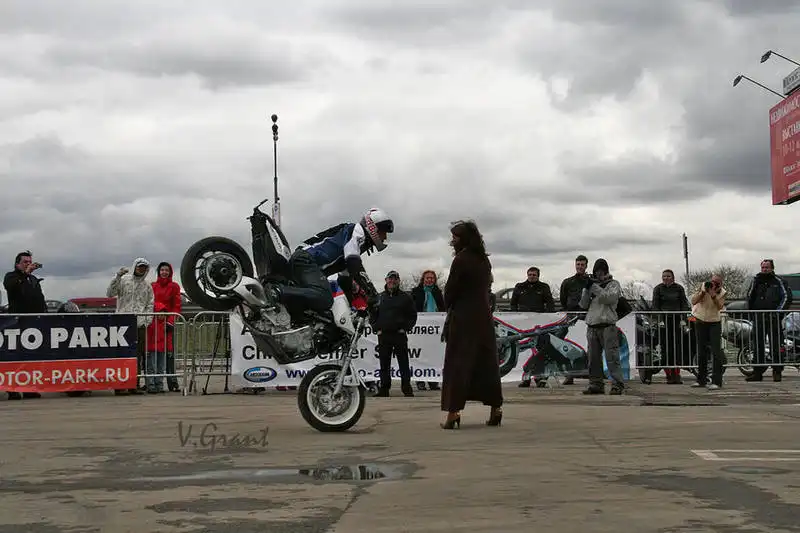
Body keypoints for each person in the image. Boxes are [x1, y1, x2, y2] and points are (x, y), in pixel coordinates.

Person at [263, 208, 394, 319]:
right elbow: (354, 264)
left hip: (306, 262)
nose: (384, 237)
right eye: (384, 232)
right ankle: (275, 292)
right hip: (306, 259)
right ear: (373, 227)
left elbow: (345, 280)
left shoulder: (351, 247)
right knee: (324, 296)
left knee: (316, 310)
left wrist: (356, 308)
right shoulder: (356, 231)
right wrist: (373, 294)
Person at [439, 220, 503, 429]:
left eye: (455, 237)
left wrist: (449, 304)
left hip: (463, 319)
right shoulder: (484, 260)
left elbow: (450, 291)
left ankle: (453, 414)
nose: (452, 241)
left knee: (458, 365)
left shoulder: (461, 260)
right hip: (483, 317)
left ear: (463, 239)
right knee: (487, 365)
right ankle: (496, 409)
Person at [579, 258, 625, 395]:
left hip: (607, 325)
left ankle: (617, 383)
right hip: (592, 325)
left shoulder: (613, 284)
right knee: (593, 358)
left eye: (601, 271)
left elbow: (609, 298)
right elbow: (583, 304)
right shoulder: (593, 286)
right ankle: (595, 383)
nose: (599, 274)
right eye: (596, 271)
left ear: (606, 271)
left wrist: (594, 287)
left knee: (612, 357)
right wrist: (586, 289)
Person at [370, 271, 418, 397]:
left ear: (398, 281)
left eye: (395, 279)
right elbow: (373, 314)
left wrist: (405, 328)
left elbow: (412, 315)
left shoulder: (405, 297)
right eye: (390, 279)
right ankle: (384, 389)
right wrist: (376, 328)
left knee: (403, 362)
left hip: (399, 334)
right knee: (384, 363)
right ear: (386, 280)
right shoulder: (379, 297)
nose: (392, 281)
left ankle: (406, 388)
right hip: (384, 335)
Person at [690, 273, 726, 390]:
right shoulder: (703, 286)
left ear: (720, 284)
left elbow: (720, 306)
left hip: (714, 322)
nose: (713, 285)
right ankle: (701, 380)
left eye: (717, 283)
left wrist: (713, 295)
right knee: (701, 351)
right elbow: (693, 301)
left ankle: (717, 381)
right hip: (700, 320)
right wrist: (703, 292)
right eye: (712, 282)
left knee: (716, 351)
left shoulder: (722, 292)